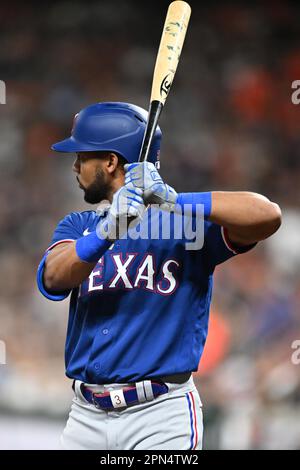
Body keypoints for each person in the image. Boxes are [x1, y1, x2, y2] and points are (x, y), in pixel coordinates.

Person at [37, 101, 282, 450]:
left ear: (109, 162)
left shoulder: (186, 225)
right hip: (85, 416)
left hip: (160, 416)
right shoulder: (80, 225)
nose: (75, 165)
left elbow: (267, 215)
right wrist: (108, 231)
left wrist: (174, 200)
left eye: (83, 156)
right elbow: (54, 278)